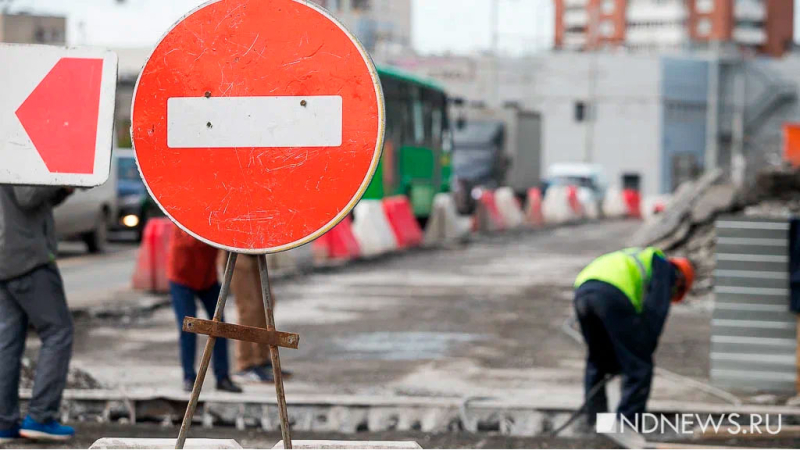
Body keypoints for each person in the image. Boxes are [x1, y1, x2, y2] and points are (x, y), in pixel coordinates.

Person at [573, 247, 694, 424]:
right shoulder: (665, 268)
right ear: (680, 280)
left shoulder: (634, 257)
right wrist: (640, 352)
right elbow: (655, 314)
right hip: (611, 294)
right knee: (639, 368)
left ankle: (597, 426)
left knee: (598, 361)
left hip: (582, 292)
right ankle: (626, 427)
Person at [0, 186, 76, 442]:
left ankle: (3, 422)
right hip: (27, 257)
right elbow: (27, 195)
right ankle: (41, 417)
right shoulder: (16, 147)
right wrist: (58, 177)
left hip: (6, 255)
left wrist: (63, 188)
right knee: (58, 331)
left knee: (7, 342)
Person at [168, 227, 242, 394]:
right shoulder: (184, 220)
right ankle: (188, 376)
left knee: (220, 327)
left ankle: (222, 377)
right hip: (181, 278)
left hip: (207, 278)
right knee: (188, 327)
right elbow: (191, 241)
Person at [222, 254, 288, 383]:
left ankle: (261, 359)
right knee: (248, 309)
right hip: (238, 252)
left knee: (267, 303)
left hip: (256, 253)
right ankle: (245, 364)